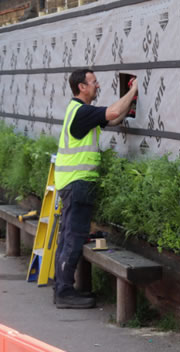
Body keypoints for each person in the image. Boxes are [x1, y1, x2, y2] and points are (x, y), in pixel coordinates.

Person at [53, 69, 138, 309]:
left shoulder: (78, 111)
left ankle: (61, 287)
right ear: (82, 87)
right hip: (77, 183)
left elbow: (112, 118)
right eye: (93, 82)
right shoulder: (81, 112)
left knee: (67, 238)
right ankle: (65, 292)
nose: (97, 86)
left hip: (72, 183)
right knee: (73, 238)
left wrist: (129, 104)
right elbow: (111, 111)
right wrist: (133, 89)